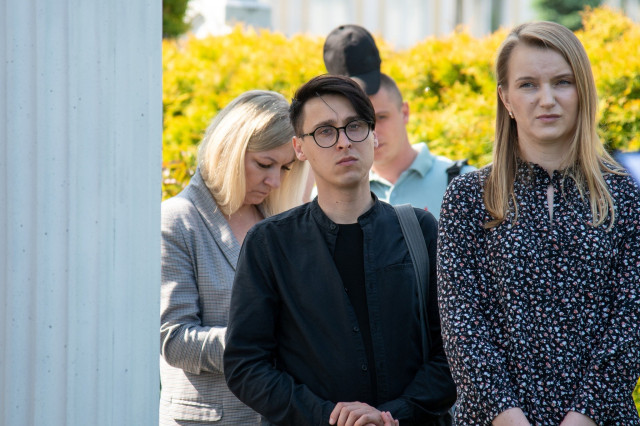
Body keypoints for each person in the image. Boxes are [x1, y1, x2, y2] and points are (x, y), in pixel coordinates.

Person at [438, 21, 640, 425]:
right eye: (528, 85)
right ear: (506, 98)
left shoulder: (624, 196)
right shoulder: (467, 198)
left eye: (562, 82)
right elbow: (463, 325)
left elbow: (630, 321)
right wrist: (508, 417)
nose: (547, 99)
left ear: (582, 90)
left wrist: (583, 417)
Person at [224, 75, 456, 426]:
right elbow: (246, 365)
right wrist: (330, 416)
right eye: (325, 132)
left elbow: (455, 350)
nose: (344, 141)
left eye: (355, 126)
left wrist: (394, 413)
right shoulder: (270, 244)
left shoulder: (420, 231)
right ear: (299, 148)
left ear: (373, 134)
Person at [160, 90, 308, 425]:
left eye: (285, 168)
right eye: (264, 164)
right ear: (229, 148)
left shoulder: (279, 223)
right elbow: (174, 339)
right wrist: (262, 340)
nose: (275, 181)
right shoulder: (176, 220)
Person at [323, 24, 475, 218]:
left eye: (381, 117)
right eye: (356, 124)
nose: (373, 132)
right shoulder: (331, 195)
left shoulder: (461, 181)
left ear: (405, 112)